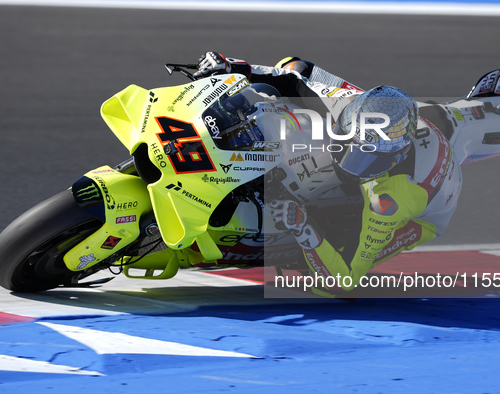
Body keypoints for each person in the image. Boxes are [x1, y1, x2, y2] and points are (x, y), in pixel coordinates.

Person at [195, 52, 462, 295]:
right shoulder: (349, 103)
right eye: (352, 147)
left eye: (368, 160)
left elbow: (343, 281)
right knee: (296, 66)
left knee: (323, 284)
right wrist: (232, 67)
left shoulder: (391, 200)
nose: (353, 164)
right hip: (403, 133)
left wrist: (304, 227)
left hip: (424, 212)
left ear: (395, 159)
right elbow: (292, 79)